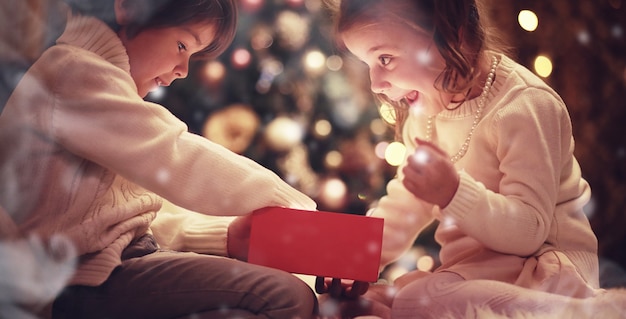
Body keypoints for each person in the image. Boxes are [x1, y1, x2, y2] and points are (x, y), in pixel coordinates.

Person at [0, 0, 320, 318]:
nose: (183, 70)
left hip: (113, 266)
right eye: (182, 45)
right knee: (284, 298)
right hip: (79, 281)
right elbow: (174, 153)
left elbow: (123, 218)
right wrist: (290, 201)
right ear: (128, 7)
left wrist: (224, 237)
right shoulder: (72, 71)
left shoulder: (99, 87)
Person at [318, 0, 626, 318]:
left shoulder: (524, 106)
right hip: (476, 274)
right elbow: (406, 205)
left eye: (385, 58)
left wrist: (454, 193)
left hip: (546, 271)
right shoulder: (424, 117)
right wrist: (357, 257)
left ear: (455, 36)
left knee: (420, 296)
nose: (376, 83)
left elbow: (531, 231)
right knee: (417, 294)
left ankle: (573, 311)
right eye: (368, 64)